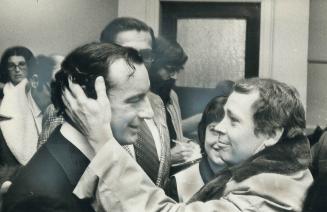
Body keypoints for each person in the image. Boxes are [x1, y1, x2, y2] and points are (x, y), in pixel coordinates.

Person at [68, 78, 313, 211]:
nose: (219, 127)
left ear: (271, 135)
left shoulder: (273, 190)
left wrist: (103, 142)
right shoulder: (282, 171)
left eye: (234, 120)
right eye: (224, 115)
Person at [2, 42, 154, 212]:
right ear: (86, 99)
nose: (149, 112)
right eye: (134, 100)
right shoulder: (44, 198)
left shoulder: (95, 159)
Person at [100, 17, 171, 187]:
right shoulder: (79, 106)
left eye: (145, 55)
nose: (137, 63)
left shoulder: (156, 102)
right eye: (128, 53)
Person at [0, 54, 56, 184]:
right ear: (35, 81)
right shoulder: (4, 115)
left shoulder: (63, 111)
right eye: (54, 86)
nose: (62, 93)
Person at [150, 37, 200, 167]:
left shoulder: (172, 96)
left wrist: (189, 145)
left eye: (177, 70)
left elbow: (175, 136)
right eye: (170, 69)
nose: (175, 77)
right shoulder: (138, 101)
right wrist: (169, 158)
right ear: (153, 66)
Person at [168, 96, 228, 202]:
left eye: (227, 132)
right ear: (203, 133)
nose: (220, 141)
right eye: (214, 130)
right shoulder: (178, 184)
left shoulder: (251, 181)